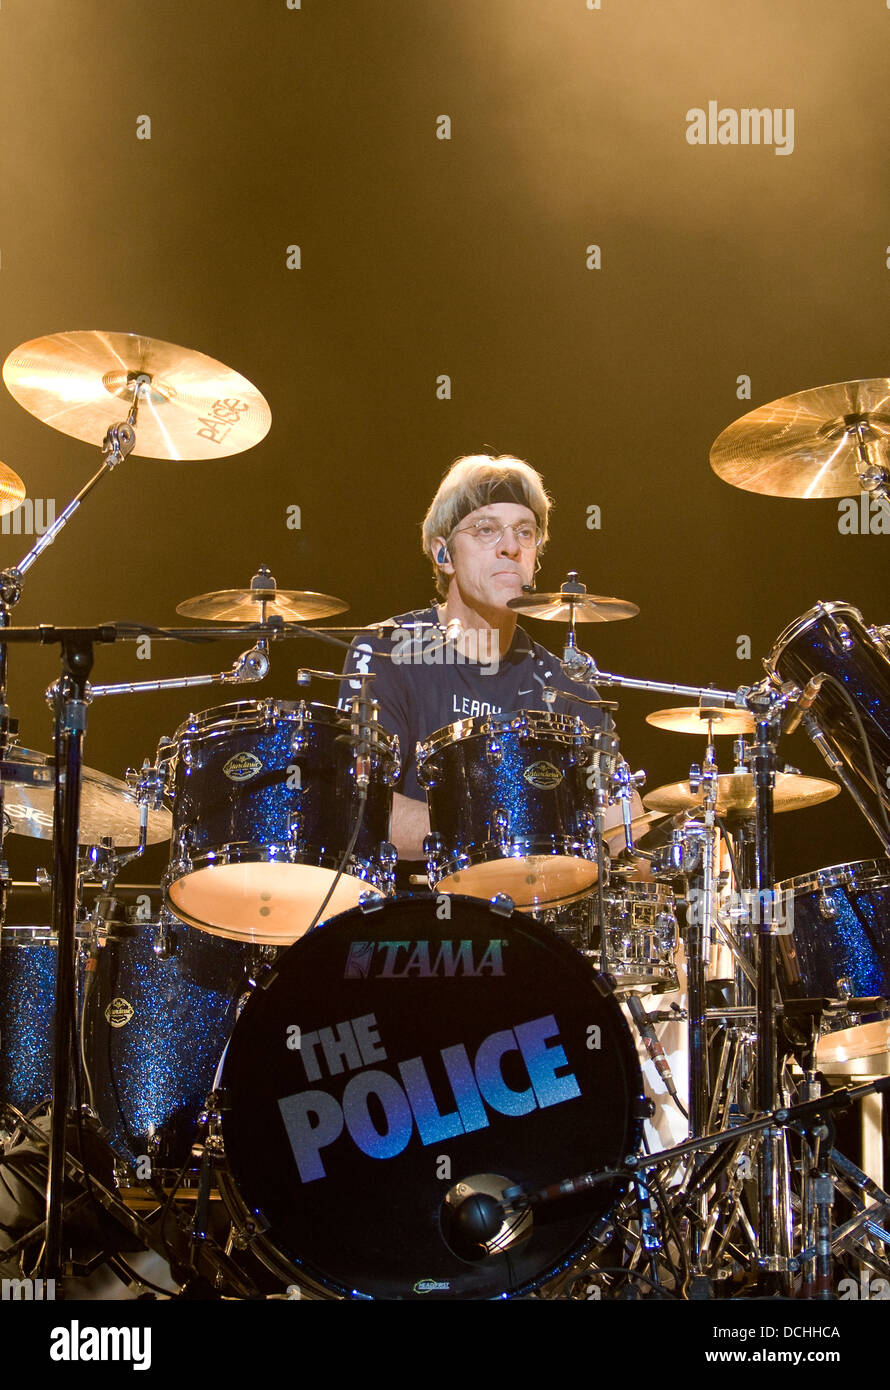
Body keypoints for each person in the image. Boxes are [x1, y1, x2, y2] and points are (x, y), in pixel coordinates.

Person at [338, 453, 634, 864]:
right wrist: (503, 832)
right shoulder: (386, 650)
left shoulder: (568, 685)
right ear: (444, 554)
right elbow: (361, 807)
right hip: (416, 914)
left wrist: (669, 845)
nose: (510, 547)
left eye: (525, 533)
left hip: (534, 918)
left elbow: (626, 829)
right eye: (486, 530)